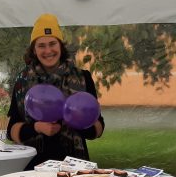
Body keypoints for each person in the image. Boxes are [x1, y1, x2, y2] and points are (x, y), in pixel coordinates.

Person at [6, 13, 104, 169]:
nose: (48, 50)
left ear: (60, 46)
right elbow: (10, 130)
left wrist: (79, 122)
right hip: (33, 166)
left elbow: (98, 128)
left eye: (52, 43)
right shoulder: (22, 80)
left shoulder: (82, 77)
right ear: (34, 50)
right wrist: (36, 128)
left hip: (74, 165)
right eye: (41, 45)